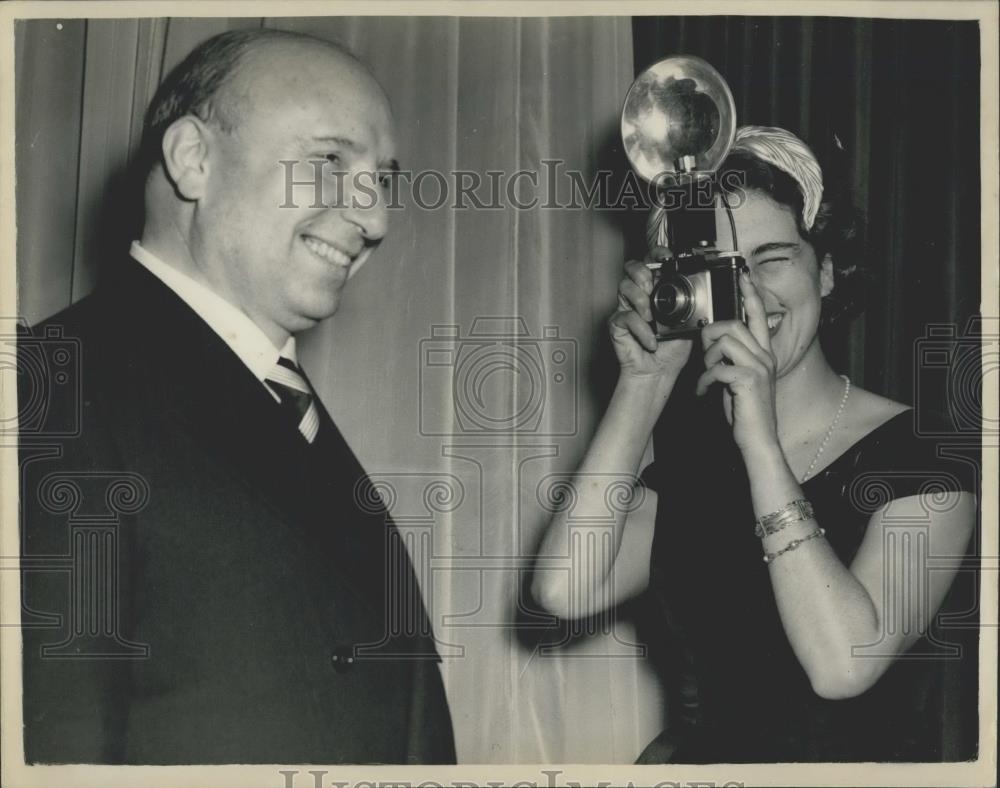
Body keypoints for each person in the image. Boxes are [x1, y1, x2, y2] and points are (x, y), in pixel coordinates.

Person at [19, 29, 455, 764]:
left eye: (382, 179)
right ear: (194, 160)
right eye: (328, 162)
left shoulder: (291, 410)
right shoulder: (51, 386)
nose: (375, 219)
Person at [532, 126, 977, 762]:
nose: (748, 295)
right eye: (720, 270)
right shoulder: (694, 464)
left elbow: (843, 667)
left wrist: (760, 442)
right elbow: (563, 590)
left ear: (825, 271)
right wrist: (644, 383)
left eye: (772, 260)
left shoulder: (927, 453)